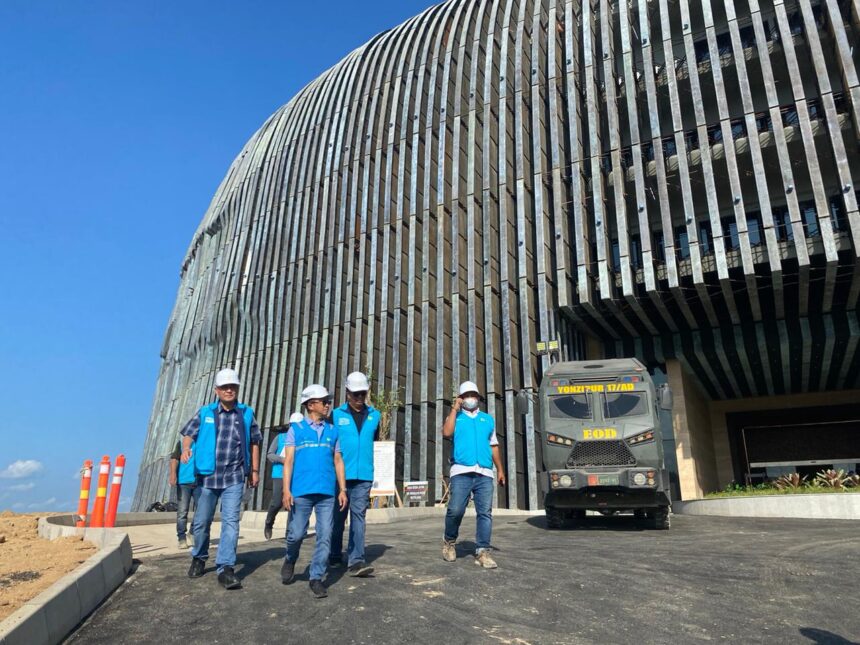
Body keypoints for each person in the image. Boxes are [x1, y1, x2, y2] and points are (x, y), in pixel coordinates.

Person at [180, 367, 262, 590]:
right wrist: (186, 449)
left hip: (234, 477)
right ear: (216, 390)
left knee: (231, 523)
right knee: (201, 522)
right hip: (208, 477)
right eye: (225, 387)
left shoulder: (246, 413)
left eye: (232, 387)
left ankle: (225, 567)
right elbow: (188, 433)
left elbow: (255, 441)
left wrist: (254, 471)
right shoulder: (205, 412)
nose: (229, 390)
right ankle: (199, 556)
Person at [280, 384, 348, 599]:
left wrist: (343, 489)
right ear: (310, 404)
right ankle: (291, 558)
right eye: (324, 401)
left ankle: (316, 577)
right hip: (301, 491)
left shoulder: (332, 431)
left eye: (328, 401)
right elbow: (288, 461)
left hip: (327, 493)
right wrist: (286, 490)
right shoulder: (296, 430)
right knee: (297, 533)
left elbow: (338, 461)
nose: (328, 405)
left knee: (326, 534)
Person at [441, 380, 506, 569]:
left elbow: (493, 445)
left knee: (485, 512)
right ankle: (449, 542)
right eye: (466, 395)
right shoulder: (456, 417)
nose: (470, 398)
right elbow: (446, 432)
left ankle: (482, 551)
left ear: (478, 398)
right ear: (461, 399)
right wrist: (454, 409)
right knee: (456, 510)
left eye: (473, 395)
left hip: (485, 472)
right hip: (461, 471)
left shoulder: (487, 419)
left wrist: (500, 469)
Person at [329, 371, 378, 577]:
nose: (359, 399)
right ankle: (333, 554)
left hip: (363, 476)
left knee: (358, 516)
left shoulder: (376, 415)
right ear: (347, 393)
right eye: (355, 394)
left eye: (362, 394)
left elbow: (373, 441)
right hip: (339, 476)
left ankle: (356, 559)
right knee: (338, 518)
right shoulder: (335, 414)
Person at [264, 412, 304, 540]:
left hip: (296, 474)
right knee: (276, 502)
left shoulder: (303, 440)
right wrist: (283, 460)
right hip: (279, 474)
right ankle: (269, 523)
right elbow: (269, 454)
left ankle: (289, 531)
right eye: (294, 425)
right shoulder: (280, 438)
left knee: (293, 503)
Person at [169, 439, 199, 549]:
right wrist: (173, 474)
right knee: (182, 512)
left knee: (201, 510)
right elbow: (174, 459)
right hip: (184, 481)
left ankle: (192, 532)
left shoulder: (203, 440)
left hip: (200, 481)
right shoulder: (181, 443)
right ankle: (181, 538)